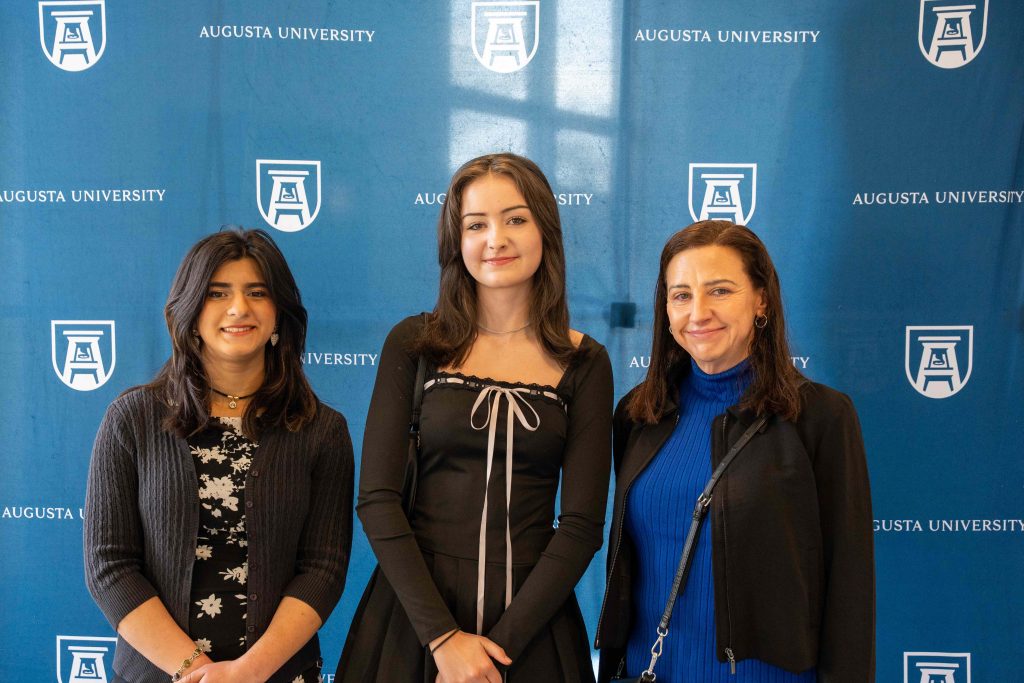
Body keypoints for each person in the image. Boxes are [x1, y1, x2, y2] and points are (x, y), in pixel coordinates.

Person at [338, 153, 613, 682]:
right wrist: (444, 640)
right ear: (455, 241)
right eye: (476, 224)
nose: (496, 239)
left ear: (545, 230)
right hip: (414, 624)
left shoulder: (586, 363)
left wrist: (493, 656)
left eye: (515, 219)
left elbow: (581, 525)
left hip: (533, 631)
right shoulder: (413, 343)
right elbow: (377, 500)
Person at [595, 220, 874, 682]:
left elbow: (851, 589)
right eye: (681, 295)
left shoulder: (820, 417)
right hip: (653, 672)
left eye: (720, 291)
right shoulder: (638, 413)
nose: (698, 312)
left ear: (761, 299)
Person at [84, 228, 354, 683]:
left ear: (278, 315)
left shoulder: (321, 430)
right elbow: (109, 566)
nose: (238, 309)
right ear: (190, 313)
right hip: (158, 673)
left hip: (278, 674)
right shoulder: (132, 418)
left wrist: (249, 673)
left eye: (257, 293)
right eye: (217, 293)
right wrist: (194, 670)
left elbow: (322, 570)